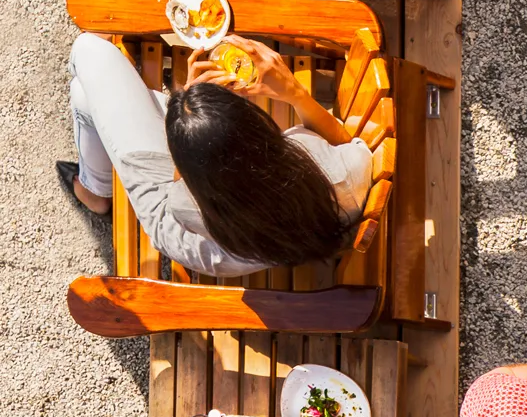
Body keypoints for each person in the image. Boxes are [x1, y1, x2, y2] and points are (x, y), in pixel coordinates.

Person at [59, 31, 372, 277]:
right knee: (85, 97)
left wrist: (186, 110)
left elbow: (179, 180)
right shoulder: (337, 173)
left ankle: (96, 192)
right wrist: (294, 92)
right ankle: (95, 189)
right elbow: (344, 144)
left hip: (177, 224)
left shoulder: (183, 203)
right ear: (257, 128)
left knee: (88, 52)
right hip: (244, 243)